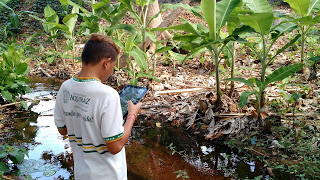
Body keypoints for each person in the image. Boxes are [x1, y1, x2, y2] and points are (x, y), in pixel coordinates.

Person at [54, 33, 141, 180]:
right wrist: (131, 115)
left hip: (82, 173)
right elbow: (115, 147)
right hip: (109, 175)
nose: (112, 71)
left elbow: (63, 130)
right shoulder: (108, 95)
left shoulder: (65, 88)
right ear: (106, 63)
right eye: (113, 66)